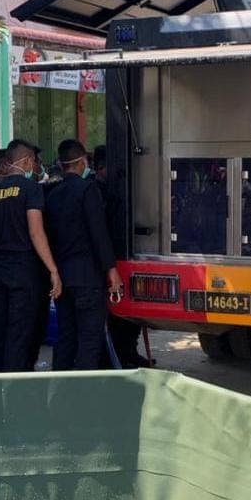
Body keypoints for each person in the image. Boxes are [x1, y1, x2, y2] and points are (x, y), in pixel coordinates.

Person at [0, 141, 62, 372]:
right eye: (34, 162)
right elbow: (36, 232)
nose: (35, 167)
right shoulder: (31, 189)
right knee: (20, 331)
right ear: (26, 161)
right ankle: (14, 382)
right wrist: (53, 269)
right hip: (25, 272)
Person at [45, 139, 123, 370]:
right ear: (81, 162)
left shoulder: (52, 194)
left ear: (61, 164)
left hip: (62, 278)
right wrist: (112, 271)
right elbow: (98, 233)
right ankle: (83, 387)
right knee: (89, 339)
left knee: (66, 336)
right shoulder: (88, 190)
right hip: (87, 278)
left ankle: (59, 384)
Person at [93, 146, 151, 368]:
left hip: (123, 257)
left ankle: (128, 352)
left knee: (129, 312)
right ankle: (113, 358)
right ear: (102, 167)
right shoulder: (95, 191)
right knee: (111, 315)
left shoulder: (117, 188)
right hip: (106, 261)